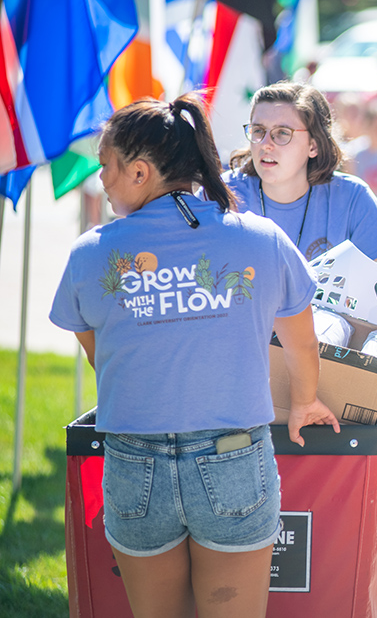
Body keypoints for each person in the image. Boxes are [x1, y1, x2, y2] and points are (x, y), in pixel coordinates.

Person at [49, 94, 340, 618]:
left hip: (135, 462)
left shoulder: (90, 253)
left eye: (106, 166)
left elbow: (106, 359)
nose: (102, 179)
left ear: (139, 173)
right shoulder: (260, 238)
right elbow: (302, 341)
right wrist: (303, 402)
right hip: (233, 459)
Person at [225, 81, 377, 263]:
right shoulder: (221, 194)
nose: (265, 144)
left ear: (313, 145)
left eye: (282, 133)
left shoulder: (351, 198)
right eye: (258, 131)